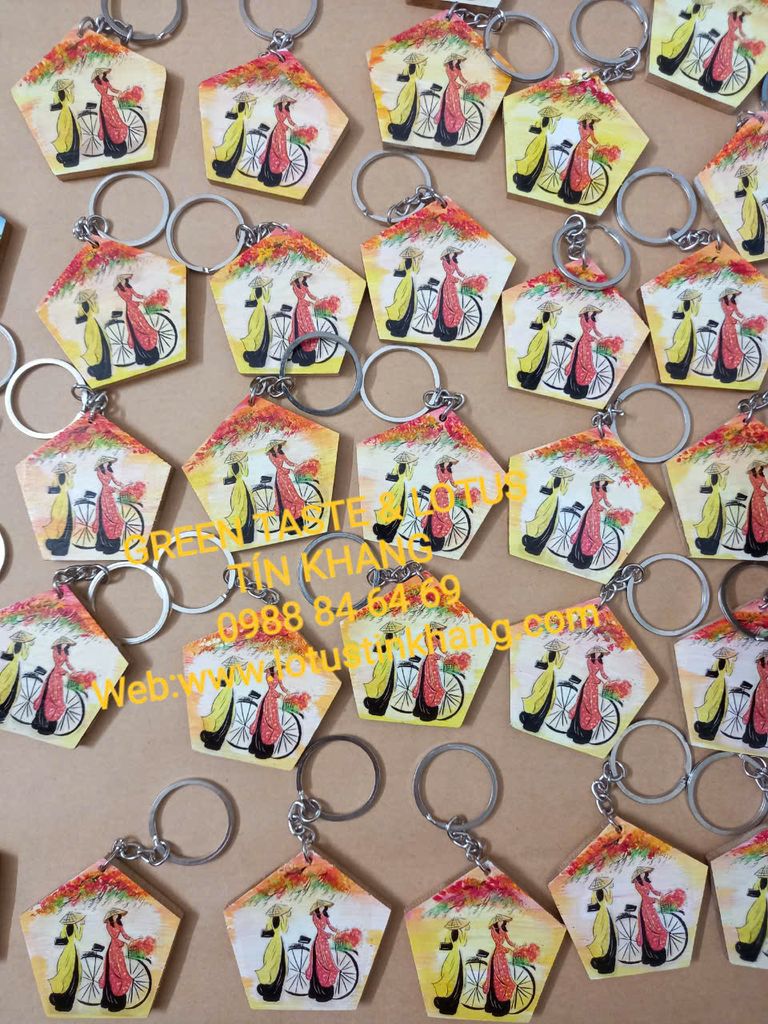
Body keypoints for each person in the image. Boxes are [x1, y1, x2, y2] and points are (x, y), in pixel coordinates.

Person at [519, 638, 569, 733]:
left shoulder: (547, 653)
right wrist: (563, 655)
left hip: (544, 675)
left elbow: (543, 661)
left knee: (538, 692)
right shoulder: (557, 654)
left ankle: (532, 712)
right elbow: (558, 666)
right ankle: (536, 719)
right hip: (550, 676)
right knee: (546, 696)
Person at [521, 465, 573, 556]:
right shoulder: (563, 481)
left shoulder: (553, 478)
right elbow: (563, 491)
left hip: (548, 501)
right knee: (549, 523)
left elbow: (548, 487)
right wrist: (567, 482)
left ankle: (531, 540)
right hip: (554, 502)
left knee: (541, 518)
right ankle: (536, 546)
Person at [699, 6, 750, 94]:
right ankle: (710, 81)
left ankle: (709, 80)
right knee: (721, 60)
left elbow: (741, 31)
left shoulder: (739, 20)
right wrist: (739, 38)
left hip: (730, 41)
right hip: (726, 40)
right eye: (740, 12)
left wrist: (746, 37)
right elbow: (731, 31)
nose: (741, 14)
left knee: (723, 59)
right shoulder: (731, 17)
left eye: (742, 13)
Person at [31, 638, 76, 736]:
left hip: (58, 678)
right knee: (51, 699)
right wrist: (66, 672)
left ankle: (42, 723)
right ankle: (43, 724)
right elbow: (57, 666)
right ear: (60, 644)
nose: (65, 645)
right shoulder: (56, 651)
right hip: (54, 677)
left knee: (54, 698)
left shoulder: (65, 652)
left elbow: (68, 663)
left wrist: (74, 670)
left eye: (66, 644)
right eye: (64, 643)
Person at [567, 645, 609, 745]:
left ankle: (584, 730)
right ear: (593, 653)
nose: (598, 654)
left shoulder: (600, 662)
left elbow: (603, 673)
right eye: (597, 652)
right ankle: (577, 729)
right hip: (589, 683)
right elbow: (592, 674)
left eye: (600, 652)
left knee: (592, 704)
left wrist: (608, 679)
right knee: (585, 705)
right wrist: (600, 681)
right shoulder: (589, 661)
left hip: (594, 686)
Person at [567, 475, 611, 570]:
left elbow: (606, 500)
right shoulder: (594, 488)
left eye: (604, 481)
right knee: (588, 533)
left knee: (592, 532)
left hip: (596, 513)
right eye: (601, 480)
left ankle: (581, 557)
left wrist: (610, 506)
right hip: (591, 512)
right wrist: (603, 508)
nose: (603, 482)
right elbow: (595, 502)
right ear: (598, 481)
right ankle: (579, 556)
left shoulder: (603, 490)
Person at [199, 655, 243, 750]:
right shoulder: (230, 670)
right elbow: (232, 682)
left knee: (223, 716)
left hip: (226, 694)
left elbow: (233, 682)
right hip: (225, 695)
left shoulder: (232, 670)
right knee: (221, 715)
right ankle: (213, 740)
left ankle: (214, 741)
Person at [115, 274, 160, 367]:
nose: (124, 281)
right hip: (130, 311)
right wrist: (136, 302)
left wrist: (143, 297)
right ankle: (141, 355)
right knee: (136, 331)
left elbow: (136, 295)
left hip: (135, 310)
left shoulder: (128, 287)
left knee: (143, 326)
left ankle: (148, 352)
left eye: (124, 279)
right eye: (122, 279)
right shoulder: (119, 290)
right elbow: (126, 299)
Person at [516, 300, 562, 391]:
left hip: (539, 336)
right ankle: (530, 383)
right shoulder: (552, 315)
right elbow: (553, 325)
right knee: (541, 359)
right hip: (544, 337)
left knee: (534, 355)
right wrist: (556, 315)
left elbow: (537, 322)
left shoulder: (541, 313)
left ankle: (526, 376)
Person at [249, 662, 291, 760]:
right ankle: (261, 746)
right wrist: (280, 695)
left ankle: (265, 746)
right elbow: (271, 689)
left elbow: (281, 685)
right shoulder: (269, 675)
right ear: (273, 666)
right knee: (267, 721)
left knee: (271, 720)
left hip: (273, 700)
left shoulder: (278, 674)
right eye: (277, 666)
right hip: (268, 699)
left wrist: (287, 691)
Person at [657, 2, 712, 75]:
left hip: (686, 26)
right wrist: (706, 8)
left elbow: (688, 11)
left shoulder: (693, 5)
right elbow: (701, 18)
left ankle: (666, 66)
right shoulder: (700, 7)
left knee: (678, 45)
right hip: (691, 29)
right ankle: (669, 68)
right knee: (683, 49)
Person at [513, 107, 560, 193]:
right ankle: (527, 182)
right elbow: (551, 131)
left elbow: (537, 125)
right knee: (538, 161)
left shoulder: (542, 119)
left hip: (538, 139)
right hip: (543, 141)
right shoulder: (550, 120)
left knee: (531, 157)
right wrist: (556, 121)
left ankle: (523, 175)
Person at [363, 621, 405, 717]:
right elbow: (397, 647)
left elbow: (376, 648)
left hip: (382, 662)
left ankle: (375, 707)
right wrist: (398, 636)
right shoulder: (392, 636)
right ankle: (378, 709)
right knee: (386, 684)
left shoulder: (384, 636)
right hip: (387, 662)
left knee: (381, 682)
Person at [373, 451, 416, 543]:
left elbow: (393, 473)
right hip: (401, 488)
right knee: (399, 510)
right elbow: (409, 477)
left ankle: (382, 530)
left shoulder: (397, 464)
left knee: (390, 507)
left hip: (395, 487)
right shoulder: (407, 466)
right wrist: (412, 466)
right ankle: (388, 535)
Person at [694, 645, 736, 741]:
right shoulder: (727, 662)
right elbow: (729, 673)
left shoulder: (717, 661)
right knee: (719, 705)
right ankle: (709, 729)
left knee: (710, 702)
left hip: (715, 684)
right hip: (721, 684)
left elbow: (713, 670)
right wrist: (732, 663)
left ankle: (704, 725)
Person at [258, 96, 299, 188]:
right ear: (281, 102)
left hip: (282, 132)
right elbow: (281, 120)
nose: (286, 103)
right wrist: (290, 127)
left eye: (287, 102)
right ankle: (269, 175)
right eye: (285, 101)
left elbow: (289, 120)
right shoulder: (278, 108)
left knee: (281, 151)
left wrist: (295, 125)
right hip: (277, 132)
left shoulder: (286, 110)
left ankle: (273, 175)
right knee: (275, 152)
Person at [564, 304, 603, 400]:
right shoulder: (583, 319)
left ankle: (577, 387)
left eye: (593, 312)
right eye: (590, 311)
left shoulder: (592, 319)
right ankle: (575, 388)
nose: (591, 313)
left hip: (587, 343)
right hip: (582, 343)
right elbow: (585, 333)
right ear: (586, 312)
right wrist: (594, 339)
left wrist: (601, 336)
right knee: (582, 364)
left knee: (585, 363)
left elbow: (595, 330)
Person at [420, 457, 460, 552]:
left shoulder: (449, 471)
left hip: (444, 493)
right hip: (438, 491)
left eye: (449, 462)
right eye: (447, 462)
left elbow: (452, 482)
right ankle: (428, 539)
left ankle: (435, 541)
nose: (448, 463)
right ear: (443, 462)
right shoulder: (439, 469)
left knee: (442, 514)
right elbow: (441, 480)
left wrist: (457, 487)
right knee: (435, 514)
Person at [267, 440, 308, 531]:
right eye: (276, 445)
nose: (277, 446)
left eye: (278, 445)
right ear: (272, 447)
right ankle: (290, 524)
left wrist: (295, 465)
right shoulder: (271, 455)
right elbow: (278, 467)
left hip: (285, 477)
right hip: (280, 477)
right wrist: (289, 470)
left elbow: (287, 461)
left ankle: (297, 523)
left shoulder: (281, 452)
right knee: (288, 498)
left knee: (292, 495)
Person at [48, 911, 85, 1012]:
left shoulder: (65, 927)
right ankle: (67, 1003)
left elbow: (62, 936)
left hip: (66, 952)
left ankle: (60, 998)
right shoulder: (75, 926)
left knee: (64, 973)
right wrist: (81, 926)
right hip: (72, 951)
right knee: (73, 975)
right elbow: (79, 937)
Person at [212, 92, 254, 178]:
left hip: (234, 126)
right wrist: (252, 105)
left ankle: (222, 164)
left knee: (229, 143)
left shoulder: (237, 104)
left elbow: (232, 112)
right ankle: (228, 169)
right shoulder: (245, 105)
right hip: (240, 126)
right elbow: (248, 116)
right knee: (237, 147)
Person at [631, 867, 668, 967]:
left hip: (650, 908)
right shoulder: (637, 884)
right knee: (650, 930)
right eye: (642, 873)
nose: (644, 874)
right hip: (645, 908)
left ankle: (655, 955)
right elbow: (645, 897)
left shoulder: (647, 882)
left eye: (645, 873)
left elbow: (654, 891)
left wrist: (661, 894)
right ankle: (649, 956)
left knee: (656, 928)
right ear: (638, 875)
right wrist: (655, 900)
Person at [100, 909, 135, 1011]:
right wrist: (124, 943)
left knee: (120, 970)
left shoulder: (119, 925)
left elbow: (124, 934)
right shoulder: (109, 925)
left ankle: (118, 997)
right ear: (111, 916)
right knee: (113, 972)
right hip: (112, 949)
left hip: (118, 951)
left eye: (117, 915)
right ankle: (110, 999)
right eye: (115, 915)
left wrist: (130, 939)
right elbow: (113, 937)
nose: (116, 917)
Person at [558, 117, 599, 205]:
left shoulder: (590, 128)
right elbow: (584, 139)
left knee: (581, 170)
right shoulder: (581, 126)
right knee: (576, 170)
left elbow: (593, 139)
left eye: (591, 119)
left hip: (584, 150)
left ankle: (571, 193)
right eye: (588, 119)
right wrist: (593, 146)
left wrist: (598, 145)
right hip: (580, 149)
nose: (589, 120)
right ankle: (569, 193)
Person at [432, 918, 469, 1015]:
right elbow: (463, 943)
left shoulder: (449, 933)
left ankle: (445, 1003)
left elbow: (446, 942)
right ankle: (451, 1006)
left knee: (448, 977)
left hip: (450, 957)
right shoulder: (460, 932)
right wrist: (465, 931)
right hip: (456, 957)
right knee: (457, 980)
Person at [256, 904, 292, 1002]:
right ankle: (274, 993)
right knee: (279, 965)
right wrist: (285, 917)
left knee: (270, 964)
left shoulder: (270, 919)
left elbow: (267, 929)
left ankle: (268, 989)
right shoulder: (282, 918)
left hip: (272, 944)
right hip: (278, 943)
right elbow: (284, 929)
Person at [91, 68, 128, 159]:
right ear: (98, 74)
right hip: (104, 104)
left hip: (109, 104)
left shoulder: (105, 81)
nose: (103, 74)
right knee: (109, 124)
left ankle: (118, 145)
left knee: (115, 121)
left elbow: (112, 89)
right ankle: (111, 147)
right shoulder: (96, 83)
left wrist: (118, 91)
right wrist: (113, 97)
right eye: (101, 73)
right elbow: (104, 95)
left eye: (103, 73)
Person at [385, 247, 423, 337]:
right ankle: (401, 329)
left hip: (404, 283)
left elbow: (400, 269)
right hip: (408, 283)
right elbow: (416, 270)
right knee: (407, 303)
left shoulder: (403, 261)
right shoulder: (412, 261)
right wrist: (418, 261)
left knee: (401, 302)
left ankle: (398, 327)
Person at [482, 915, 516, 1017]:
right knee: (497, 979)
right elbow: (499, 945)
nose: (502, 922)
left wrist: (516, 946)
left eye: (503, 921)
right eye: (501, 921)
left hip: (502, 957)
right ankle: (494, 1005)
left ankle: (500, 1004)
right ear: (497, 922)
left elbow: (508, 941)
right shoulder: (493, 930)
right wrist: (508, 950)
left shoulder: (503, 930)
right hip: (497, 956)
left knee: (504, 977)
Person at [388, 53, 426, 141]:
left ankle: (398, 131)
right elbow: (420, 76)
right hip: (412, 89)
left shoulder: (407, 67)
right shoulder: (417, 67)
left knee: (403, 107)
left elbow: (403, 75)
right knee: (411, 110)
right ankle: (403, 134)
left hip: (407, 88)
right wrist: (422, 66)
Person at [305, 901, 339, 1002]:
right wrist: (330, 935)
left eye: (323, 907)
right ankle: (318, 990)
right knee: (320, 965)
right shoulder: (315, 917)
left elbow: (330, 925)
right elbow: (320, 931)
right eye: (320, 907)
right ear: (317, 908)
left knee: (327, 962)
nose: (322, 908)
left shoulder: (324, 915)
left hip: (324, 942)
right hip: (319, 942)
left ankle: (324, 989)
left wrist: (337, 930)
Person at [412, 623, 446, 722]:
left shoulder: (437, 637)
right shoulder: (428, 637)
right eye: (438, 629)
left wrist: (449, 655)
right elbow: (431, 652)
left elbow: (443, 649)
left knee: (432, 684)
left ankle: (423, 710)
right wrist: (441, 657)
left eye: (440, 629)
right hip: (429, 662)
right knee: (430, 685)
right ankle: (425, 711)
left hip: (433, 662)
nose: (440, 631)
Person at [665, 288, 701, 380]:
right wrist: (697, 302)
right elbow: (695, 313)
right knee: (688, 346)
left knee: (680, 343)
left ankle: (677, 366)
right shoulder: (692, 303)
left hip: (683, 325)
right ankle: (681, 370)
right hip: (688, 325)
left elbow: (679, 312)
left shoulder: (682, 303)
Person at [76, 289, 111, 381]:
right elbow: (92, 311)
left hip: (93, 325)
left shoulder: (87, 304)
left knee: (101, 347)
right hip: (92, 326)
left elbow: (94, 311)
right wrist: (92, 302)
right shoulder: (85, 304)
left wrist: (93, 302)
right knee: (98, 347)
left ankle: (103, 372)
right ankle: (102, 371)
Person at [435, 55, 470, 147]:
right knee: (448, 111)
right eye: (454, 60)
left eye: (457, 60)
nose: (456, 61)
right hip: (450, 90)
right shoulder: (448, 68)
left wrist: (468, 83)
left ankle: (451, 132)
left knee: (455, 109)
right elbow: (451, 80)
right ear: (451, 61)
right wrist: (460, 86)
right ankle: (444, 135)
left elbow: (461, 78)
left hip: (454, 91)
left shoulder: (457, 69)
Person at [735, 865, 768, 961]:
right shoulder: (760, 881)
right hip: (760, 907)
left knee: (760, 930)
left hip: (762, 907)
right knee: (755, 928)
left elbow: (756, 892)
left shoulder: (761, 881)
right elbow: (756, 892)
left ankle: (752, 953)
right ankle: (750, 950)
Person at [94, 455, 125, 555]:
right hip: (104, 496)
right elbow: (105, 485)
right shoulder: (100, 472)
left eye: (109, 462)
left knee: (111, 518)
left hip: (109, 497)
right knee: (107, 519)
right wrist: (115, 489)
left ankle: (108, 544)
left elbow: (115, 480)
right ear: (103, 463)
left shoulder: (109, 471)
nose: (108, 463)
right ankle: (105, 544)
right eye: (107, 462)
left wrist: (122, 485)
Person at [694, 462, 728, 555]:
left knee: (709, 519)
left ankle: (706, 541)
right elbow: (722, 487)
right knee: (717, 521)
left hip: (711, 500)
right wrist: (725, 476)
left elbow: (707, 486)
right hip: (716, 499)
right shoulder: (719, 476)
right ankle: (711, 545)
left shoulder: (710, 477)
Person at [0, 630, 34, 723]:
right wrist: (28, 646)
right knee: (12, 691)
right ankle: (2, 713)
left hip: (8, 668)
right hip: (15, 668)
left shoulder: (12, 644)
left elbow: (8, 654)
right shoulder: (24, 646)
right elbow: (24, 657)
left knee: (3, 686)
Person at [433, 247, 466, 342]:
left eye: (454, 253)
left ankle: (448, 330)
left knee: (452, 305)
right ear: (448, 254)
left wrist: (465, 276)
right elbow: (449, 275)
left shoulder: (453, 262)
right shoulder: (445, 262)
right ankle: (441, 329)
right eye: (452, 253)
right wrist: (458, 280)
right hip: (447, 285)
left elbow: (459, 271)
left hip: (452, 286)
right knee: (446, 306)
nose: (453, 254)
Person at [713, 287, 746, 383]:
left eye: (732, 294)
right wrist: (737, 320)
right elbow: (728, 314)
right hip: (727, 326)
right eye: (730, 294)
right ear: (726, 295)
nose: (731, 295)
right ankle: (723, 371)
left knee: (732, 346)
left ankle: (727, 371)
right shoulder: (724, 303)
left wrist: (743, 318)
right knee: (726, 347)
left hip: (731, 326)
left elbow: (737, 313)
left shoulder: (733, 303)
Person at [288, 272, 320, 366]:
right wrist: (310, 303)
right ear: (297, 278)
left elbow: (310, 294)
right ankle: (300, 354)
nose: (302, 278)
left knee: (309, 328)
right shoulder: (295, 287)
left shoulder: (304, 286)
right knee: (303, 330)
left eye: (303, 277)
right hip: (300, 310)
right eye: (300, 277)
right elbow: (301, 299)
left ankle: (308, 353)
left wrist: (316, 299)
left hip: (305, 310)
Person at [44, 462, 75, 557]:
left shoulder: (57, 476)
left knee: (58, 521)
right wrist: (70, 476)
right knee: (66, 522)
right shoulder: (66, 476)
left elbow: (54, 486)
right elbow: (71, 486)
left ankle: (57, 546)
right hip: (64, 499)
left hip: (59, 500)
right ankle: (61, 548)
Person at [241, 276, 272, 368]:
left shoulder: (254, 290)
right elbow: (267, 299)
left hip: (258, 312)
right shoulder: (261, 289)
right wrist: (268, 288)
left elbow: (251, 299)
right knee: (261, 332)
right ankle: (258, 358)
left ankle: (256, 358)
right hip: (260, 312)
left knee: (258, 332)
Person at [224, 451, 255, 545]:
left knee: (243, 507)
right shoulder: (237, 465)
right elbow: (245, 473)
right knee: (244, 507)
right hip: (240, 487)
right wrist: (245, 464)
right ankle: (244, 534)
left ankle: (243, 534)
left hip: (239, 487)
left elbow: (230, 476)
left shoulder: (232, 466)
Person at [587, 877, 616, 975]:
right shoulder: (604, 890)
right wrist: (610, 889)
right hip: (605, 914)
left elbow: (593, 902)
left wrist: (593, 894)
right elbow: (610, 901)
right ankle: (606, 961)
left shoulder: (594, 893)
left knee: (600, 935)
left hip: (600, 915)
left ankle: (601, 957)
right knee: (608, 935)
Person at [736, 165, 766, 257]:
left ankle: (753, 246)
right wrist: (755, 177)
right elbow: (754, 187)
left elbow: (739, 190)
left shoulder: (742, 180)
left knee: (752, 221)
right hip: (753, 200)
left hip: (748, 201)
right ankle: (756, 247)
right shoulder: (750, 178)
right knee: (757, 222)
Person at [50, 78, 79, 168]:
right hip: (67, 114)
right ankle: (69, 157)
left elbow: (55, 103)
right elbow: (71, 100)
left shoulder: (57, 94)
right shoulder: (65, 92)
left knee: (66, 134)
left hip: (63, 115)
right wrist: (71, 90)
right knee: (72, 134)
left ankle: (67, 156)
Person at [742, 650, 768, 749]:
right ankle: (756, 739)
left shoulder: (760, 663)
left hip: (760, 689)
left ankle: (750, 736)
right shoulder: (763, 664)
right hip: (764, 690)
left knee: (757, 712)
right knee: (760, 713)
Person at [744, 461, 768, 558]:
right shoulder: (751, 475)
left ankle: (763, 543)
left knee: (764, 518)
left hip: (760, 500)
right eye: (758, 466)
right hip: (755, 499)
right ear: (754, 467)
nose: (759, 468)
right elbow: (756, 488)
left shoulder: (761, 476)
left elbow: (766, 485)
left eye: (760, 466)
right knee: (756, 519)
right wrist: (764, 493)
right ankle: (754, 545)